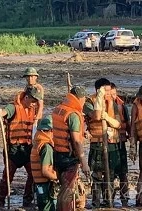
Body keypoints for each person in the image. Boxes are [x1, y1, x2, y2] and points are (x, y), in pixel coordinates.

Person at [0, 86, 43, 208]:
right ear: (26, 97)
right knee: (7, 177)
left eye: (35, 102)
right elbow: (6, 111)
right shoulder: (14, 107)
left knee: (33, 174)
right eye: (32, 101)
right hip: (13, 149)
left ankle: (27, 200)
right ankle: (1, 202)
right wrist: (1, 112)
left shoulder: (33, 109)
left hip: (27, 148)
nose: (33, 104)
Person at [85, 78, 121, 208]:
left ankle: (108, 201)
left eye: (108, 90)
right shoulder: (89, 102)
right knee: (97, 175)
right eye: (104, 90)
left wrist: (107, 117)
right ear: (98, 90)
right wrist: (99, 99)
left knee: (110, 174)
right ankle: (96, 202)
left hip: (110, 144)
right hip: (97, 144)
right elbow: (96, 116)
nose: (108, 93)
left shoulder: (112, 103)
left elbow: (118, 124)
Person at [52, 86, 89, 211]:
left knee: (63, 189)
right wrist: (84, 162)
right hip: (69, 157)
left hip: (57, 154)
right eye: (84, 99)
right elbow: (76, 141)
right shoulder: (72, 115)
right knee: (68, 191)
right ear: (80, 98)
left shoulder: (59, 109)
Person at [30, 115, 59, 211]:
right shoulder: (46, 147)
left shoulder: (37, 143)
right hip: (46, 186)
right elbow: (45, 171)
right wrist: (57, 178)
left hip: (39, 185)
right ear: (50, 130)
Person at [110, 83, 131, 207]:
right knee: (110, 173)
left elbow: (127, 123)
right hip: (109, 143)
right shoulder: (103, 106)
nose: (112, 96)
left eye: (114, 94)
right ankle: (110, 198)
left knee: (123, 172)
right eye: (110, 94)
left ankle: (125, 199)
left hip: (121, 142)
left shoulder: (122, 106)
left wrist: (132, 138)